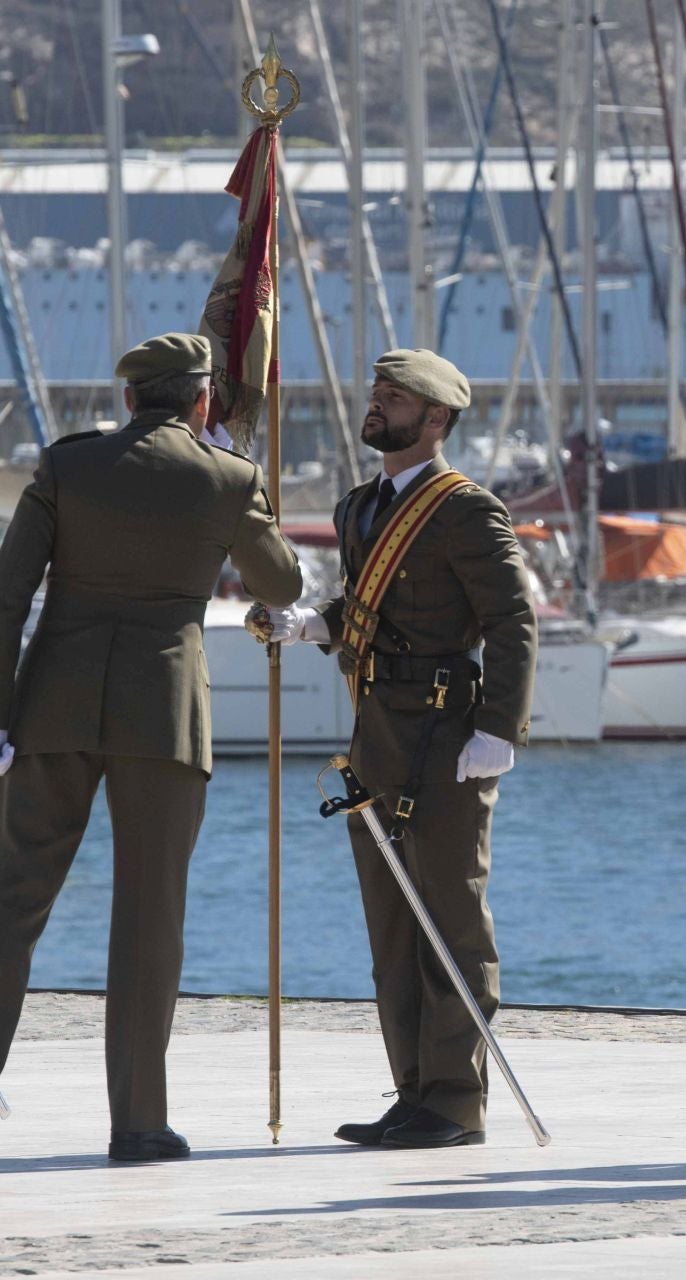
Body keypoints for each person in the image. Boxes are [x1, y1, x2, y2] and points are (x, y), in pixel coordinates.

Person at [0, 333, 302, 1164]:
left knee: (8, 901)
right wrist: (240, 474)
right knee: (147, 917)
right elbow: (283, 586)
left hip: (53, 704)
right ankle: (137, 1121)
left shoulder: (69, 466)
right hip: (163, 715)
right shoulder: (227, 477)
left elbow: (9, 596)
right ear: (201, 401)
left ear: (130, 397)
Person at [258, 348, 536, 1149]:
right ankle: (414, 1090)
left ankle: (455, 1100)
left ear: (437, 418)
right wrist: (315, 624)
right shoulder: (359, 508)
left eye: (395, 397)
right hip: (376, 731)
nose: (376, 403)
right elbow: (367, 610)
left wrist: (498, 730)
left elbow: (513, 620)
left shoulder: (466, 510)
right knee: (392, 925)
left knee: (449, 918)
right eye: (376, 391)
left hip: (449, 736)